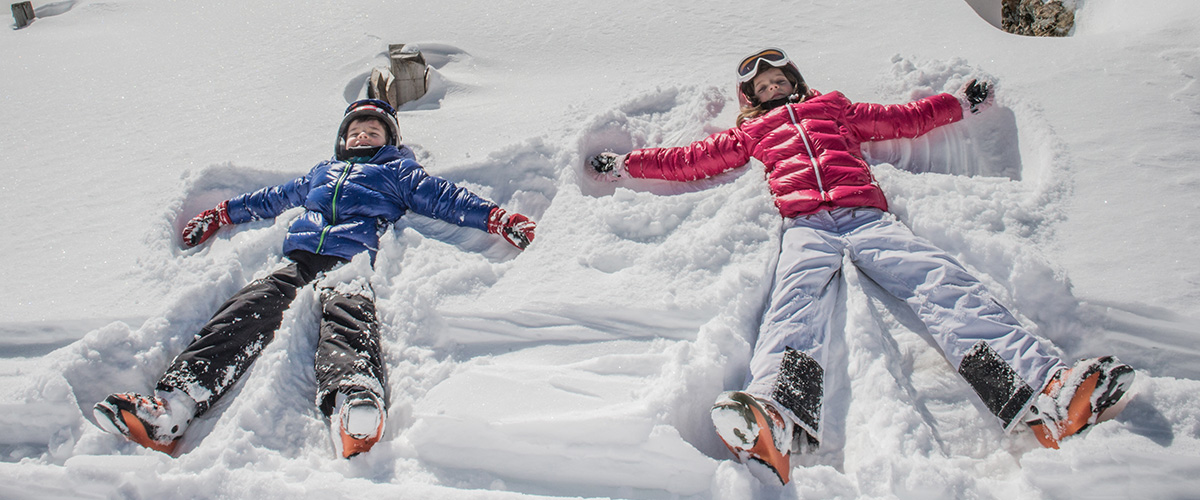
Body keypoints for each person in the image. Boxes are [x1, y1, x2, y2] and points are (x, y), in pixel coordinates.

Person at [587, 48, 1134, 485]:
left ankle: (1043, 392)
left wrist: (958, 104)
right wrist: (625, 166)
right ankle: (776, 414)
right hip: (806, 227)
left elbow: (903, 119)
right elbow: (688, 161)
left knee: (944, 286)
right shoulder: (751, 133)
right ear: (750, 96)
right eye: (761, 84)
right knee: (794, 306)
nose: (772, 85)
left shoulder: (834, 109)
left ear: (795, 80)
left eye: (779, 77)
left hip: (867, 218)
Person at [94, 99, 537, 459]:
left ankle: (354, 400)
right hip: (301, 258)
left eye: (374, 131)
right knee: (249, 306)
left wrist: (497, 218)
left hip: (350, 259)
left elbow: (444, 198)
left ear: (389, 140)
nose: (363, 135)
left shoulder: (399, 172)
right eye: (355, 131)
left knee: (348, 315)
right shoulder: (320, 174)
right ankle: (172, 408)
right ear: (343, 139)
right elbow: (272, 198)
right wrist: (221, 214)